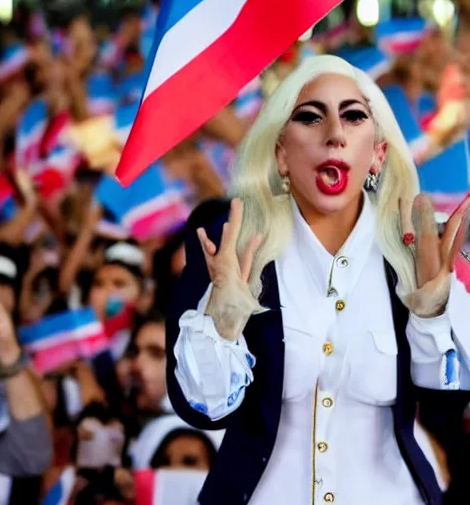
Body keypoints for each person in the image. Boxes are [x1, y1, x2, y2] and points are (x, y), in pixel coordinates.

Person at [166, 55, 470, 505]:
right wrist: (222, 325)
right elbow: (203, 410)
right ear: (281, 153)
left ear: (378, 153)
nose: (335, 135)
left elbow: (446, 411)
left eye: (353, 116)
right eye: (311, 117)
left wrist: (433, 311)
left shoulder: (416, 249)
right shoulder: (228, 241)